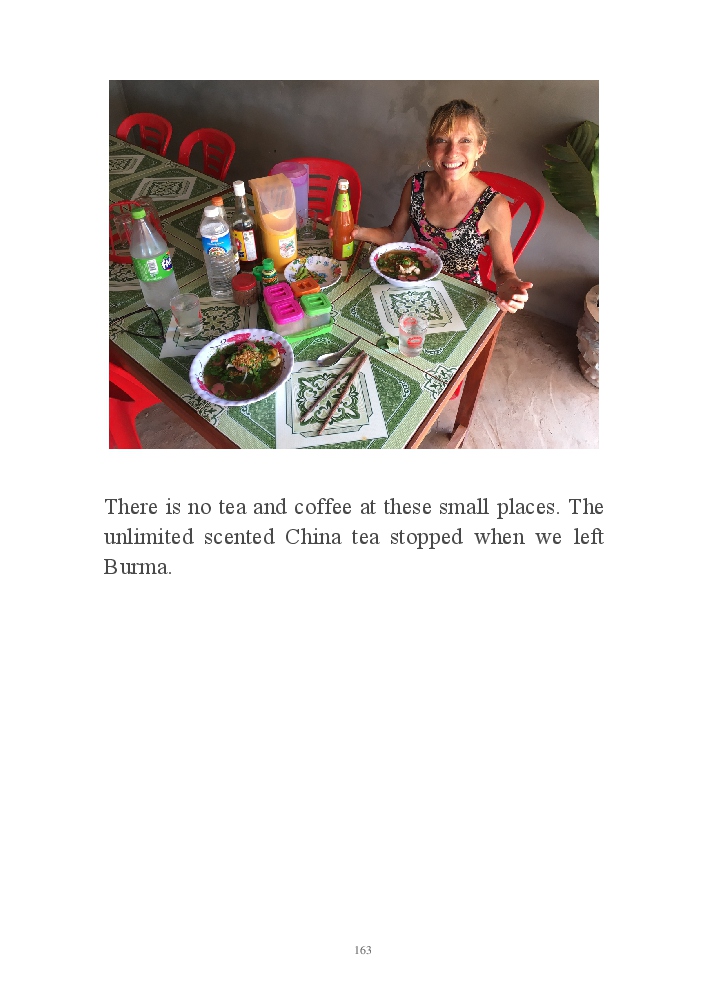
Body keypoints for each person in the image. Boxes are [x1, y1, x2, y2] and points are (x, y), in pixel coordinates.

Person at [352, 99, 533, 313]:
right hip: (416, 280)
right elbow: (393, 235)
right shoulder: (416, 186)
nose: (452, 152)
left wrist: (509, 288)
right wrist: (356, 232)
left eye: (465, 140)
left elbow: (504, 272)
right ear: (429, 148)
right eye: (441, 140)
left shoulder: (493, 206)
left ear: (480, 148)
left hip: (462, 293)